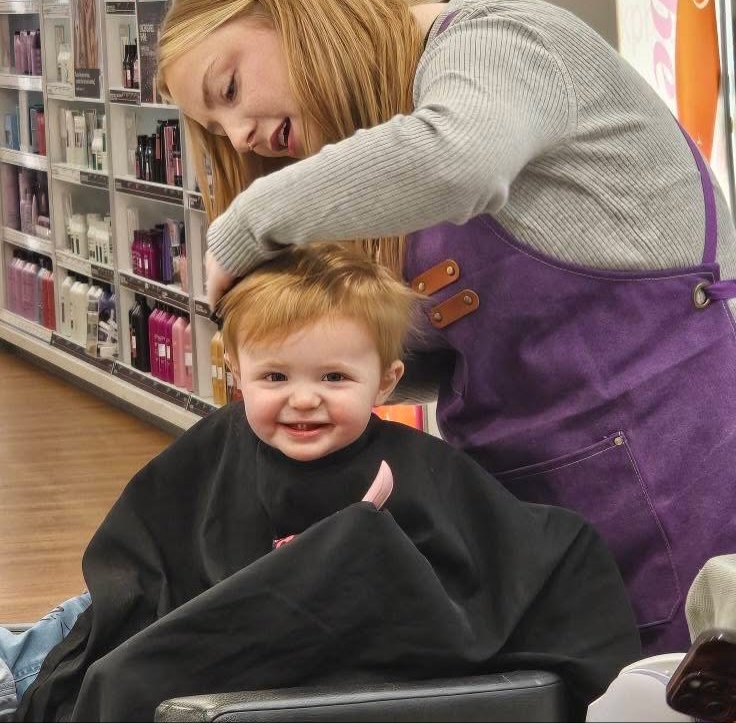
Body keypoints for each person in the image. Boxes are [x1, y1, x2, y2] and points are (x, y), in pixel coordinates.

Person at [155, 0, 736, 657]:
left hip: (670, 479)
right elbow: (452, 348)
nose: (241, 134)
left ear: (288, 8)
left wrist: (248, 223)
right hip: (523, 510)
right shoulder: (386, 147)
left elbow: (460, 160)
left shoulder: (499, 44)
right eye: (218, 130)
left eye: (231, 88)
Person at [14, 244, 640, 722]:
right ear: (237, 375)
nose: (303, 400)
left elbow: (536, 557)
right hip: (220, 643)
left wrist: (355, 552)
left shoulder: (418, 469)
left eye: (335, 378)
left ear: (387, 381)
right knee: (105, 670)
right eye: (275, 377)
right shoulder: (217, 448)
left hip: (340, 661)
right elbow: (144, 558)